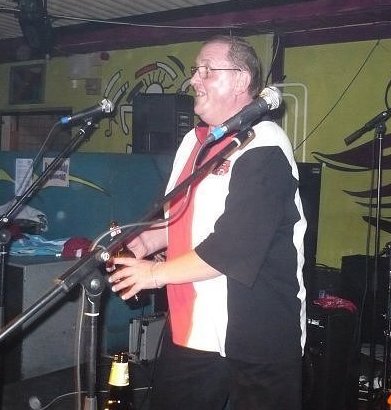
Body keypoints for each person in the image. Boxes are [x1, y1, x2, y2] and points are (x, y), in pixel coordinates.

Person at [109, 35, 307, 410]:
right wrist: (147, 242)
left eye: (206, 71)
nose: (193, 80)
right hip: (195, 324)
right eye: (195, 70)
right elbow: (183, 216)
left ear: (241, 80)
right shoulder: (194, 141)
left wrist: (153, 274)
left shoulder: (265, 145)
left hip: (257, 328)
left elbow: (232, 248)